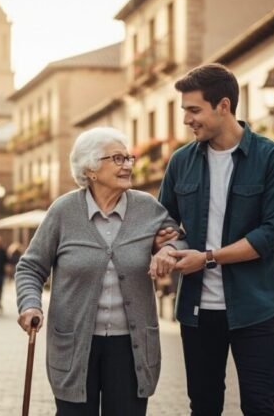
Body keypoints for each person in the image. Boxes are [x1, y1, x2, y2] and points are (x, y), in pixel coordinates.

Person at [156, 63, 274, 415]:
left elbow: (272, 235)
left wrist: (206, 258)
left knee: (259, 407)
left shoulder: (272, 159)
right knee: (202, 407)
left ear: (223, 106)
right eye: (184, 110)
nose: (187, 119)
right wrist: (170, 246)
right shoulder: (180, 162)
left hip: (256, 308)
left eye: (193, 110)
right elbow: (165, 221)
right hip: (197, 311)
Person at [15, 127, 184, 415]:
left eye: (128, 157)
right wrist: (30, 305)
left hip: (130, 348)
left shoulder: (147, 208)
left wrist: (168, 250)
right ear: (91, 169)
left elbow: (176, 236)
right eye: (117, 158)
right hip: (75, 345)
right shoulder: (63, 212)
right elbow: (30, 266)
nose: (128, 165)